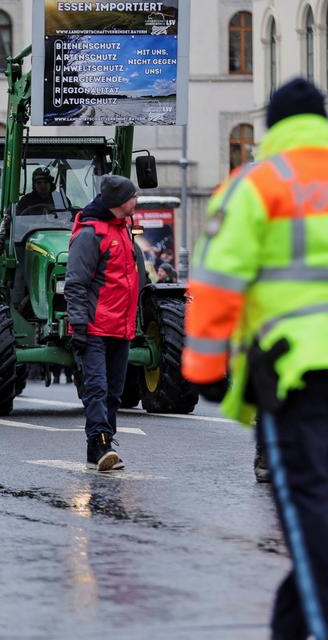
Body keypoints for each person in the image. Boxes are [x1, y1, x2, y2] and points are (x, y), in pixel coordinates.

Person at [182, 77, 328, 640]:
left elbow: (218, 283)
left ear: (272, 127)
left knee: (308, 511)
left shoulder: (258, 183)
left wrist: (203, 371)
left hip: (296, 378)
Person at [65, 175, 138, 472]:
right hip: (95, 328)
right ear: (120, 202)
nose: (137, 200)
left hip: (120, 328)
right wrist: (79, 326)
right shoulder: (90, 234)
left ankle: (102, 444)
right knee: (96, 388)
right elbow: (76, 283)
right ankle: (100, 443)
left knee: (114, 392)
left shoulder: (122, 230)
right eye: (133, 196)